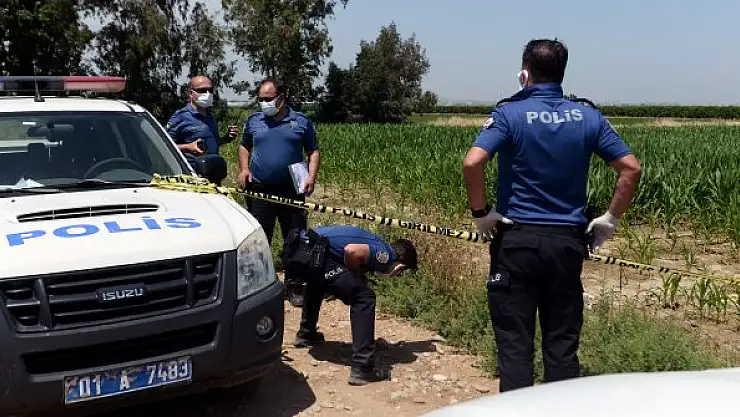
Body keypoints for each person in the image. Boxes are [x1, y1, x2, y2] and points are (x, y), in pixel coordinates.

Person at [461, 38, 642, 393]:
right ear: (562, 73)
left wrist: (481, 213)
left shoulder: (509, 113)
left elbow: (473, 162)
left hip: (516, 241)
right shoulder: (588, 116)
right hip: (566, 244)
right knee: (561, 344)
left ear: (524, 73)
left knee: (515, 345)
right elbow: (630, 168)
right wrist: (610, 219)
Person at [281, 224, 418, 386]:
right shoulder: (386, 254)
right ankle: (363, 367)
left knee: (318, 282)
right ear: (400, 266)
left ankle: (307, 334)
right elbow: (351, 251)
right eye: (400, 273)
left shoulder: (375, 241)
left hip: (301, 251)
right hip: (316, 254)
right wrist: (354, 273)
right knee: (364, 298)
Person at [237, 78, 321, 307]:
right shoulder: (254, 121)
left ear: (281, 97)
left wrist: (311, 177)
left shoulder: (301, 121)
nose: (264, 103)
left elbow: (313, 150)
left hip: (291, 189)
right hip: (259, 188)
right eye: (260, 99)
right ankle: (257, 284)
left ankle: (294, 285)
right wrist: (244, 169)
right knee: (259, 237)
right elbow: (244, 145)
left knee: (294, 237)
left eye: (268, 98)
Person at [165, 75, 239, 174]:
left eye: (210, 90)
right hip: (191, 174)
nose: (207, 94)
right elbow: (164, 145)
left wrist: (226, 138)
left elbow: (211, 143)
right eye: (202, 90)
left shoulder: (210, 116)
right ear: (191, 94)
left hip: (212, 173)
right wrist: (188, 147)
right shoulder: (181, 116)